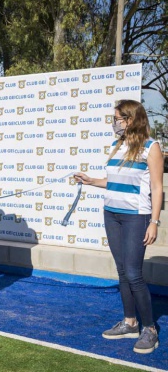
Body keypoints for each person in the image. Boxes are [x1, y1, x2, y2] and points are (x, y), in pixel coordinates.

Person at [74, 99, 163, 354]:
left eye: (118, 119)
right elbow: (113, 182)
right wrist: (91, 181)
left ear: (132, 119)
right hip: (111, 214)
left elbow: (157, 187)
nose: (115, 124)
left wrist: (154, 222)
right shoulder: (117, 145)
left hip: (136, 216)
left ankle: (150, 329)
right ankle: (130, 323)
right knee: (123, 271)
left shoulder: (151, 147)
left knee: (134, 274)